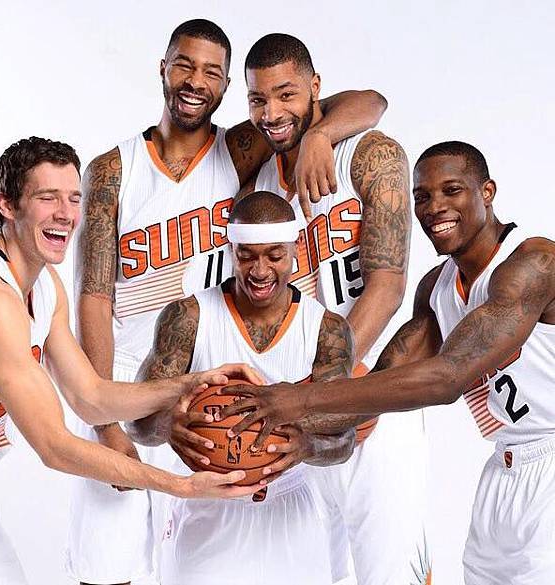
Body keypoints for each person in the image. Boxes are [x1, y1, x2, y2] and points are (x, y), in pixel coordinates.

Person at [68, 18, 387, 585]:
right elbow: (92, 299)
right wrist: (106, 419)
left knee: (202, 552)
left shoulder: (241, 148)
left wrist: (318, 137)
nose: (196, 81)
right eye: (184, 65)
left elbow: (368, 101)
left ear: (226, 86)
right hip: (127, 385)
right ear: (162, 68)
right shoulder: (113, 170)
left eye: (212, 72)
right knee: (109, 560)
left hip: (206, 385)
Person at [221, 141, 555, 585]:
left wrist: (297, 401)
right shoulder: (437, 288)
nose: (435, 207)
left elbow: (447, 378)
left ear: (487, 192)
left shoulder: (534, 263)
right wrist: (284, 441)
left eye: (452, 190)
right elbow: (380, 388)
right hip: (505, 468)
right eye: (422, 196)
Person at [0, 137, 263, 585]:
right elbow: (53, 446)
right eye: (47, 198)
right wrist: (181, 486)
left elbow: (91, 397)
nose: (66, 213)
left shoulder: (45, 286)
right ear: (7, 205)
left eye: (73, 198)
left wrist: (191, 383)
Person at [239, 33, 428, 585]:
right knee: (313, 572)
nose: (272, 113)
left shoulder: (370, 153)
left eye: (287, 94)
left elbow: (388, 286)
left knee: (390, 574)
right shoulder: (258, 183)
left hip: (370, 391)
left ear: (316, 87)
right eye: (258, 99)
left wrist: (331, 384)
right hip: (295, 406)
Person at [127, 191, 357, 585]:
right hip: (208, 504)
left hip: (290, 512)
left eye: (274, 256)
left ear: (295, 251)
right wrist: (166, 426)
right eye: (247, 256)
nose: (260, 270)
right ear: (230, 251)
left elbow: (344, 439)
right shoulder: (187, 318)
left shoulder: (327, 330)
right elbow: (136, 421)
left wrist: (307, 446)